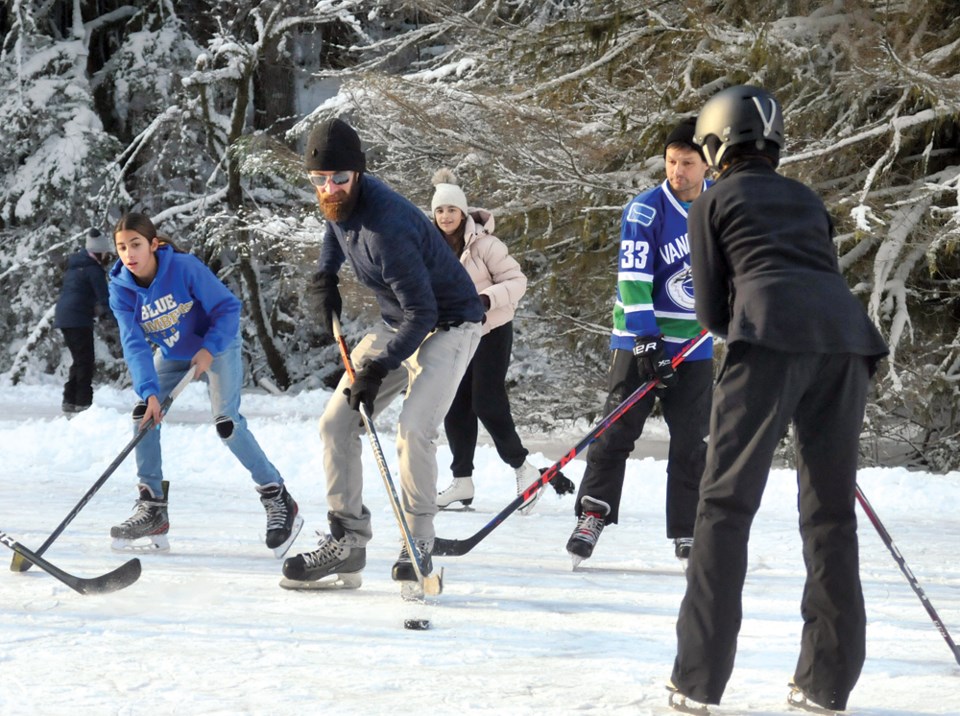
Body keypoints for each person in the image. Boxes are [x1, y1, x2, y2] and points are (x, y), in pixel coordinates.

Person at [667, 85, 889, 714]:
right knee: (829, 514)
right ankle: (826, 684)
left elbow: (712, 311)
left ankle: (697, 680)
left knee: (723, 507)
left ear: (715, 142)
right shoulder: (807, 197)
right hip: (845, 343)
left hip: (766, 338)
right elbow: (819, 275)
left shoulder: (713, 200)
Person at [281, 119, 483, 590]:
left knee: (414, 429)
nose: (328, 188)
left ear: (360, 173)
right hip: (400, 323)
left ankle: (419, 542)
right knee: (335, 423)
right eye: (319, 180)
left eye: (339, 178)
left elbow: (424, 312)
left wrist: (377, 368)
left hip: (448, 324)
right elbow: (334, 228)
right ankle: (348, 542)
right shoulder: (339, 200)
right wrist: (325, 277)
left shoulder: (387, 226)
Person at [565, 117, 714, 567]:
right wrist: (647, 340)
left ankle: (688, 531)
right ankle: (593, 512)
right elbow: (632, 281)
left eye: (687, 163)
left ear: (707, 164)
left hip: (696, 344)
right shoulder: (645, 210)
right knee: (616, 431)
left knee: (693, 441)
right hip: (639, 337)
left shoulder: (721, 207)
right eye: (671, 161)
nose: (677, 172)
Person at [107, 212, 302, 557]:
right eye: (122, 247)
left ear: (153, 244)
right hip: (173, 352)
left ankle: (277, 495)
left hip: (217, 343)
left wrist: (209, 349)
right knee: (143, 415)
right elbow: (134, 344)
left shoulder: (184, 267)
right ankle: (152, 507)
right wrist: (149, 393)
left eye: (135, 245)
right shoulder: (121, 288)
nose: (129, 254)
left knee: (227, 423)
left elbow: (228, 308)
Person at [428, 168, 541, 514]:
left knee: (486, 401)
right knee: (455, 404)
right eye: (440, 211)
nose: (446, 216)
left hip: (490, 330)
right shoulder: (428, 247)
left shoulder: (487, 245)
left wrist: (486, 299)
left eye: (452, 210)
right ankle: (462, 480)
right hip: (452, 333)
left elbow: (517, 281)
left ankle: (524, 467)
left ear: (463, 213)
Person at [54, 228, 114, 414]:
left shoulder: (76, 266)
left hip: (64, 317)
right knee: (86, 361)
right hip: (78, 318)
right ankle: (83, 404)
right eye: (106, 253)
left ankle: (70, 400)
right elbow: (104, 297)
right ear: (99, 252)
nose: (107, 257)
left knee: (79, 360)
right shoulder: (93, 269)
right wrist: (115, 317)